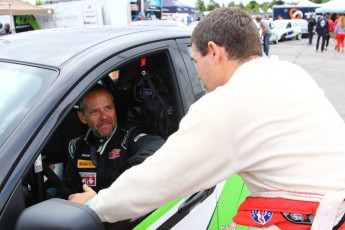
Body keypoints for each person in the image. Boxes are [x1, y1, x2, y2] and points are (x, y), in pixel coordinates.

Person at [69, 7, 345, 229]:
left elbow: (156, 181)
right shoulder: (290, 73)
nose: (197, 74)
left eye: (194, 61)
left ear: (214, 51)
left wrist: (94, 207)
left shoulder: (226, 105)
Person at [62, 84, 165, 196]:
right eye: (95, 112)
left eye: (108, 108)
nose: (104, 117)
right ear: (82, 117)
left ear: (114, 109)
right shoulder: (77, 147)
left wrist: (136, 170)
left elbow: (156, 145)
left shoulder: (129, 137)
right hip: (88, 212)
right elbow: (69, 192)